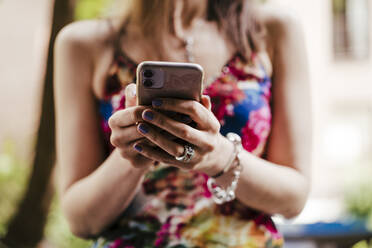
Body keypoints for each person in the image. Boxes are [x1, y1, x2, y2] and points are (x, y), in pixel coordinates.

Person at [54, 0, 311, 247]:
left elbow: (294, 198)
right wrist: (135, 152)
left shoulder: (272, 29)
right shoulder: (83, 43)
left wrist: (218, 155)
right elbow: (81, 221)